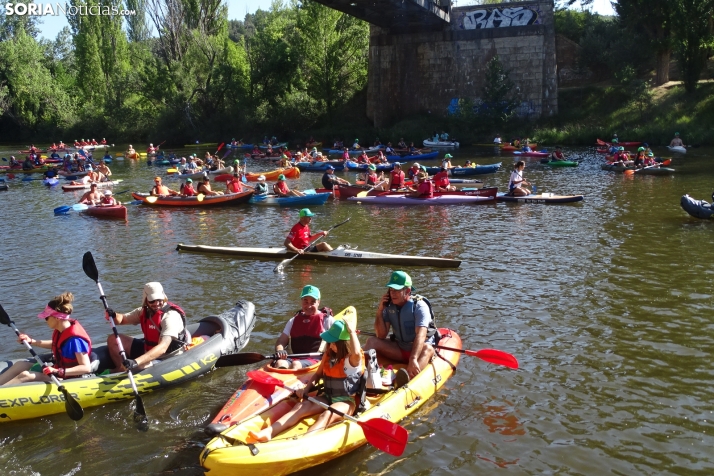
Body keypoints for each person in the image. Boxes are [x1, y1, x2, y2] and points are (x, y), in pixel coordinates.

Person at [247, 318, 363, 443]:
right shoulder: (329, 354)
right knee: (301, 406)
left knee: (327, 414)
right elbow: (317, 375)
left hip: (346, 401)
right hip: (328, 396)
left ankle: (305, 442)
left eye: (335, 342)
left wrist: (351, 332)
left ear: (344, 343)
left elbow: (356, 351)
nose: (331, 345)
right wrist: (305, 390)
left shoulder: (352, 360)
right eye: (330, 342)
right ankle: (269, 432)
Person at [0, 292, 93, 386]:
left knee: (26, 375)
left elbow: (86, 368)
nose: (46, 321)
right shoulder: (62, 330)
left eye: (46, 318)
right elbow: (56, 344)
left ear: (56, 318)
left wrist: (58, 371)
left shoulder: (76, 340)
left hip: (68, 378)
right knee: (20, 365)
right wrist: (32, 341)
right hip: (57, 369)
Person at [363, 271, 438, 387]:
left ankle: (408, 378)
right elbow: (381, 335)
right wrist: (380, 310)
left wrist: (413, 358)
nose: (393, 293)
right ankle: (357, 371)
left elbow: (421, 335)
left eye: (397, 290)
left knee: (428, 348)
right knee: (371, 341)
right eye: (391, 290)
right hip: (400, 348)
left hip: (418, 351)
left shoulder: (419, 306)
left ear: (407, 291)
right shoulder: (389, 307)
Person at [104, 282, 190, 372]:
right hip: (148, 349)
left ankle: (117, 372)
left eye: (159, 300)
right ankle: (121, 370)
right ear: (146, 300)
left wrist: (135, 362)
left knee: (138, 367)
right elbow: (122, 320)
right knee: (113, 339)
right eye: (152, 301)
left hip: (166, 356)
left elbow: (163, 347)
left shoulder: (170, 316)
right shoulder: (143, 312)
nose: (156, 303)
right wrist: (113, 315)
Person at [272, 285, 335, 370]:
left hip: (315, 359)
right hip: (294, 357)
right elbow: (281, 341)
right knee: (280, 363)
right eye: (305, 301)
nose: (309, 306)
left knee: (296, 365)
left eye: (312, 302)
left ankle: (291, 382)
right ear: (301, 301)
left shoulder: (328, 320)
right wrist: (280, 350)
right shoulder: (293, 321)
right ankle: (279, 380)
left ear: (318, 302)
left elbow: (339, 343)